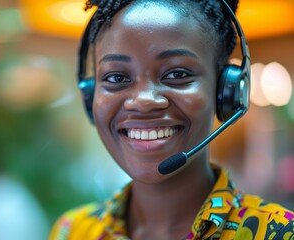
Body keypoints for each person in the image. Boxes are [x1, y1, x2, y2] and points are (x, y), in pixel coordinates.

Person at [49, 0, 294, 239]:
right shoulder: (72, 231)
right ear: (91, 95)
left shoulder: (279, 233)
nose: (143, 100)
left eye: (177, 74)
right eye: (115, 78)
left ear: (226, 91)